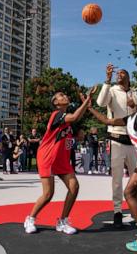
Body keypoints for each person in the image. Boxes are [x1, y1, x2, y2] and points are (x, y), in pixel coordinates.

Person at [89, 89, 137, 252]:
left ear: (135, 101)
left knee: (129, 193)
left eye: (130, 96)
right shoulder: (130, 118)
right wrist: (89, 107)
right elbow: (107, 121)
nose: (127, 97)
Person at [24, 87, 96, 234]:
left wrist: (87, 101)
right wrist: (87, 100)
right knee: (48, 194)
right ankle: (30, 218)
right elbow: (76, 116)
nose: (65, 96)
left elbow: (78, 116)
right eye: (61, 95)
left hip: (61, 160)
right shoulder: (56, 115)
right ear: (56, 102)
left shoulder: (67, 122)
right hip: (48, 157)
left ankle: (62, 221)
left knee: (74, 187)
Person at [96, 63, 137, 228]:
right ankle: (118, 211)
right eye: (116, 74)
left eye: (122, 73)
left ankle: (135, 207)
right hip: (117, 138)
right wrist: (107, 80)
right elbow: (100, 103)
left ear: (128, 77)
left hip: (133, 140)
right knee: (117, 179)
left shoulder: (134, 92)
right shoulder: (112, 90)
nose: (118, 75)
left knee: (136, 177)